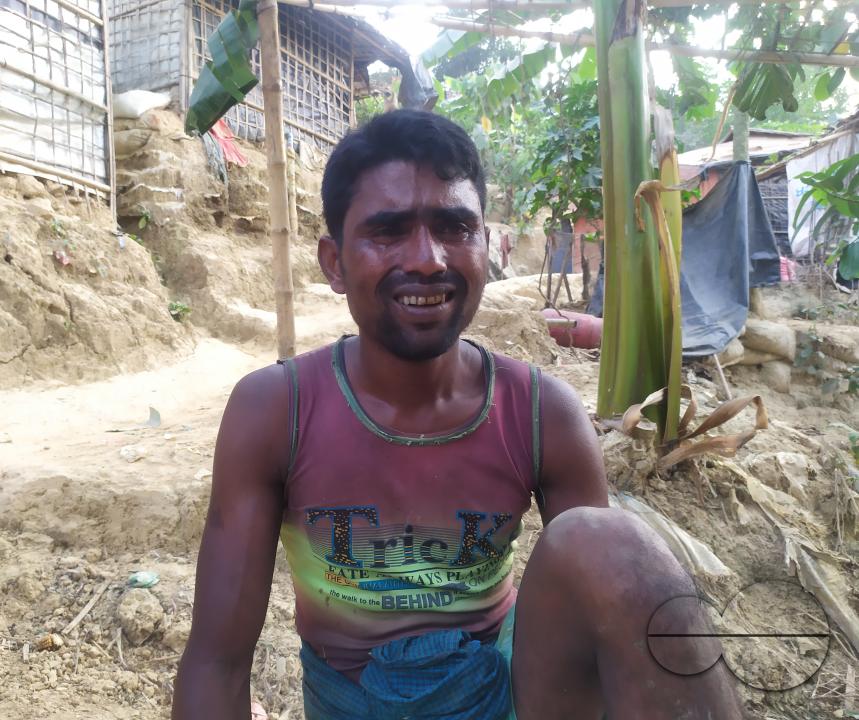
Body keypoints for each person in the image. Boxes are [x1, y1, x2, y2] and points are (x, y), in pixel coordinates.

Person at [172, 110, 742, 720]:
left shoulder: (540, 412)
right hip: (352, 702)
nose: (427, 260)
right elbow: (216, 661)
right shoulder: (275, 411)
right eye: (388, 231)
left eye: (453, 227)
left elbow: (598, 620)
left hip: (504, 693)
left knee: (609, 543)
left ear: (484, 247)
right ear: (334, 263)